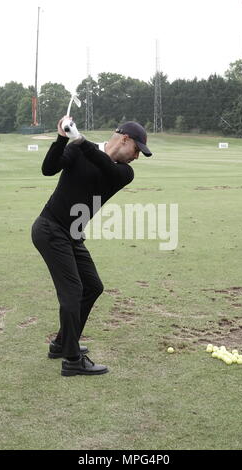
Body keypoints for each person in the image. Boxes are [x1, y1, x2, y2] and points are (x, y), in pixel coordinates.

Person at [31, 117, 152, 377]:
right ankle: (72, 360)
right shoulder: (77, 148)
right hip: (50, 229)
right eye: (137, 150)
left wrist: (80, 141)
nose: (137, 157)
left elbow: (103, 165)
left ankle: (62, 343)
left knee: (92, 286)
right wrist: (63, 139)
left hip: (72, 235)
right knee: (73, 291)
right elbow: (48, 169)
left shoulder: (124, 172)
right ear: (124, 139)